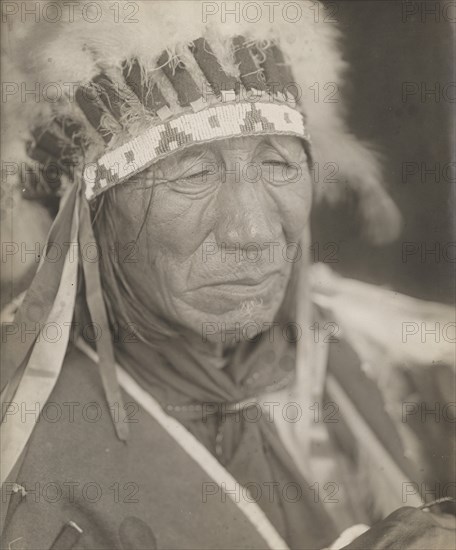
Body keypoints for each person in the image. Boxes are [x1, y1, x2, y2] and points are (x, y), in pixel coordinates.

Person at [1, 2, 454, 549]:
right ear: (90, 222)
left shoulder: (369, 357)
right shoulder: (25, 446)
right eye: (193, 174)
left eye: (278, 165)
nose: (254, 231)